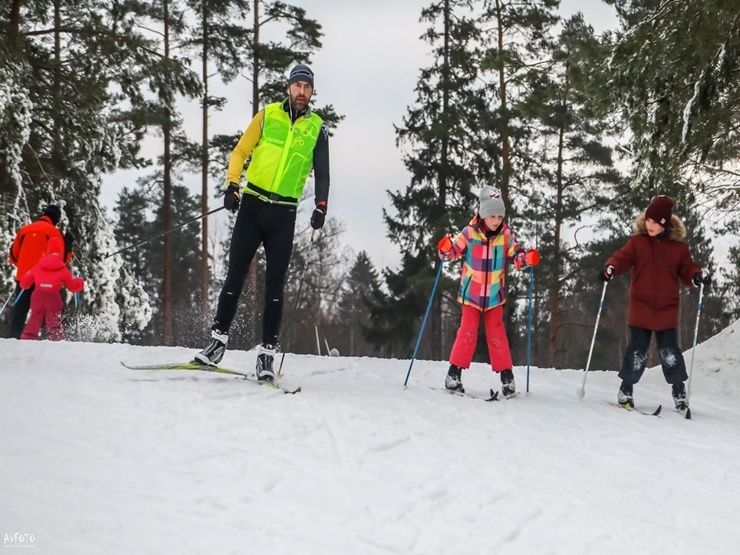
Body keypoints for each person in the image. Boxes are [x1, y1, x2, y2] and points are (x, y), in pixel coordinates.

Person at [194, 64, 330, 382]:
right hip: (253, 206)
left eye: (307, 88)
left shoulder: (318, 128)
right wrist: (232, 185)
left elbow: (322, 172)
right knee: (235, 276)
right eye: (297, 85)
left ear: (311, 93)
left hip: (283, 214)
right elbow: (241, 151)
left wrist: (321, 206)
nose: (302, 92)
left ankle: (266, 354)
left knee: (275, 286)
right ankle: (217, 343)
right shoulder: (267, 115)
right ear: (288, 88)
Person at [599, 195, 710, 411]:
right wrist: (610, 268)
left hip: (666, 310)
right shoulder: (637, 243)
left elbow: (687, 268)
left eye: (656, 222)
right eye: (648, 220)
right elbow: (621, 258)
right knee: (637, 352)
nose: (650, 225)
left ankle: (679, 392)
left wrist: (697, 276)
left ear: (665, 224)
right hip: (641, 308)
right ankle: (626, 389)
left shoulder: (679, 249)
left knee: (670, 353)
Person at [437, 186, 539, 398]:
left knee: (497, 335)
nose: (496, 219)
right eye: (492, 215)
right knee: (467, 332)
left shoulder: (506, 235)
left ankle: (507, 377)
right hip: (471, 294)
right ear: (483, 214)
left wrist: (526, 259)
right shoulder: (469, 233)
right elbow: (452, 252)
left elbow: (516, 256)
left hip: (494, 296)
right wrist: (445, 250)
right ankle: (453, 374)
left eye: (500, 215)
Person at [8, 204, 74, 339]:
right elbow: (60, 261)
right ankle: (45, 344)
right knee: (45, 314)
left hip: (24, 278)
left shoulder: (24, 230)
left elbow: (13, 256)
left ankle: (12, 341)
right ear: (56, 218)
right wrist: (68, 246)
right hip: (45, 282)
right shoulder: (54, 233)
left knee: (20, 313)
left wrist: (25, 267)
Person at [19, 236, 84, 341]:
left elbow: (25, 282)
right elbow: (73, 286)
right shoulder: (61, 268)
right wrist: (80, 281)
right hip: (53, 297)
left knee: (34, 318)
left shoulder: (39, 265)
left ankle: (28, 338)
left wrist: (24, 282)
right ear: (60, 250)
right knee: (54, 320)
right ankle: (56, 340)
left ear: (48, 250)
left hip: (38, 295)